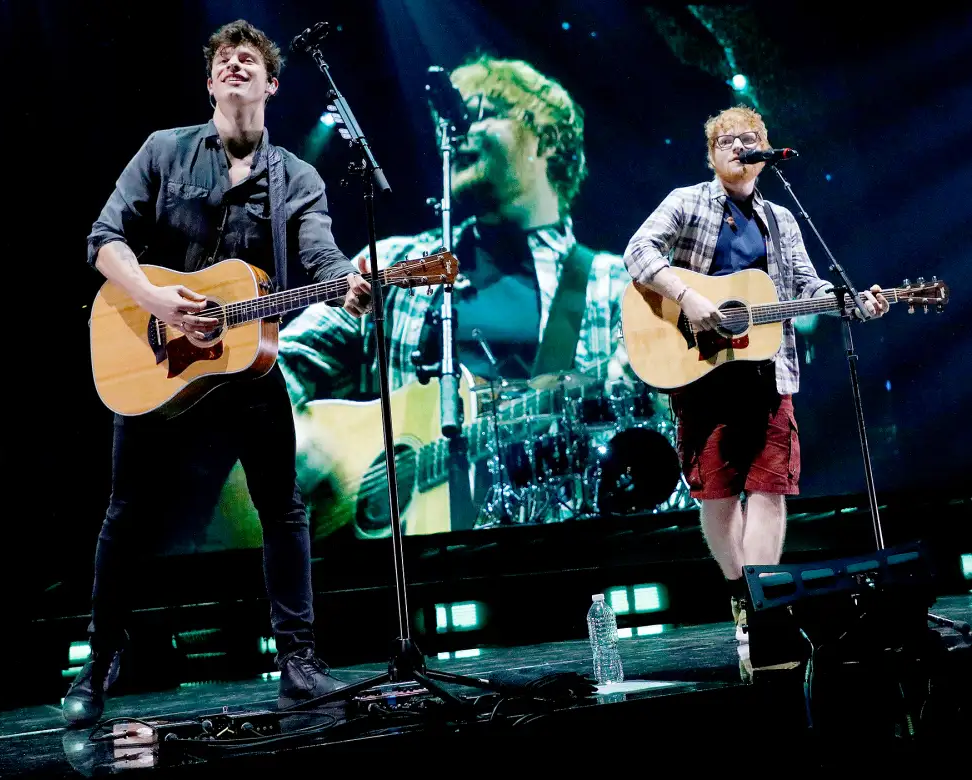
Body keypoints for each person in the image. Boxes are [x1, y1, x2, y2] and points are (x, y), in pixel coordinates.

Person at [64, 20, 371, 727]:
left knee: (283, 509)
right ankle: (99, 661)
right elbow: (104, 241)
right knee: (126, 515)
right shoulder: (163, 150)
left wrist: (347, 285)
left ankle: (299, 663)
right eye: (224, 60)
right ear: (210, 83)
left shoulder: (296, 177)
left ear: (272, 84)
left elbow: (322, 256)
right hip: (157, 362)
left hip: (246, 369)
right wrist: (154, 298)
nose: (235, 65)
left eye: (249, 60)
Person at [271, 54, 677, 535]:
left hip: (562, 547)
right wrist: (295, 441)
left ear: (545, 140)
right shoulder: (395, 265)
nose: (455, 129)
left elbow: (661, 438)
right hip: (405, 563)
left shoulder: (616, 287)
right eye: (449, 119)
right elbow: (275, 364)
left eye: (479, 112)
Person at [624, 105, 890, 642]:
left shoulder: (782, 219)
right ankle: (739, 595)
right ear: (711, 155)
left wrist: (852, 302)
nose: (739, 148)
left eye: (749, 139)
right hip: (701, 371)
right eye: (726, 141)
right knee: (719, 494)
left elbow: (808, 286)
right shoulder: (687, 202)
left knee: (770, 489)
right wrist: (688, 297)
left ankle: (762, 607)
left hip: (769, 375)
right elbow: (638, 250)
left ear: (765, 153)